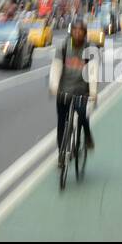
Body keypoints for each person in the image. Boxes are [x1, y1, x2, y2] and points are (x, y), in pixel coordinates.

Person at [49, 19, 99, 154]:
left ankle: (87, 135)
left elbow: (93, 72)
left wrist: (93, 92)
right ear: (71, 33)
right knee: (61, 120)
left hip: (82, 90)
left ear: (85, 34)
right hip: (64, 90)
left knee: (83, 113)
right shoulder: (64, 46)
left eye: (80, 32)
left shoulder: (90, 49)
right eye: (75, 31)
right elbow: (56, 66)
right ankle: (61, 151)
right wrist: (54, 85)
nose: (77, 34)